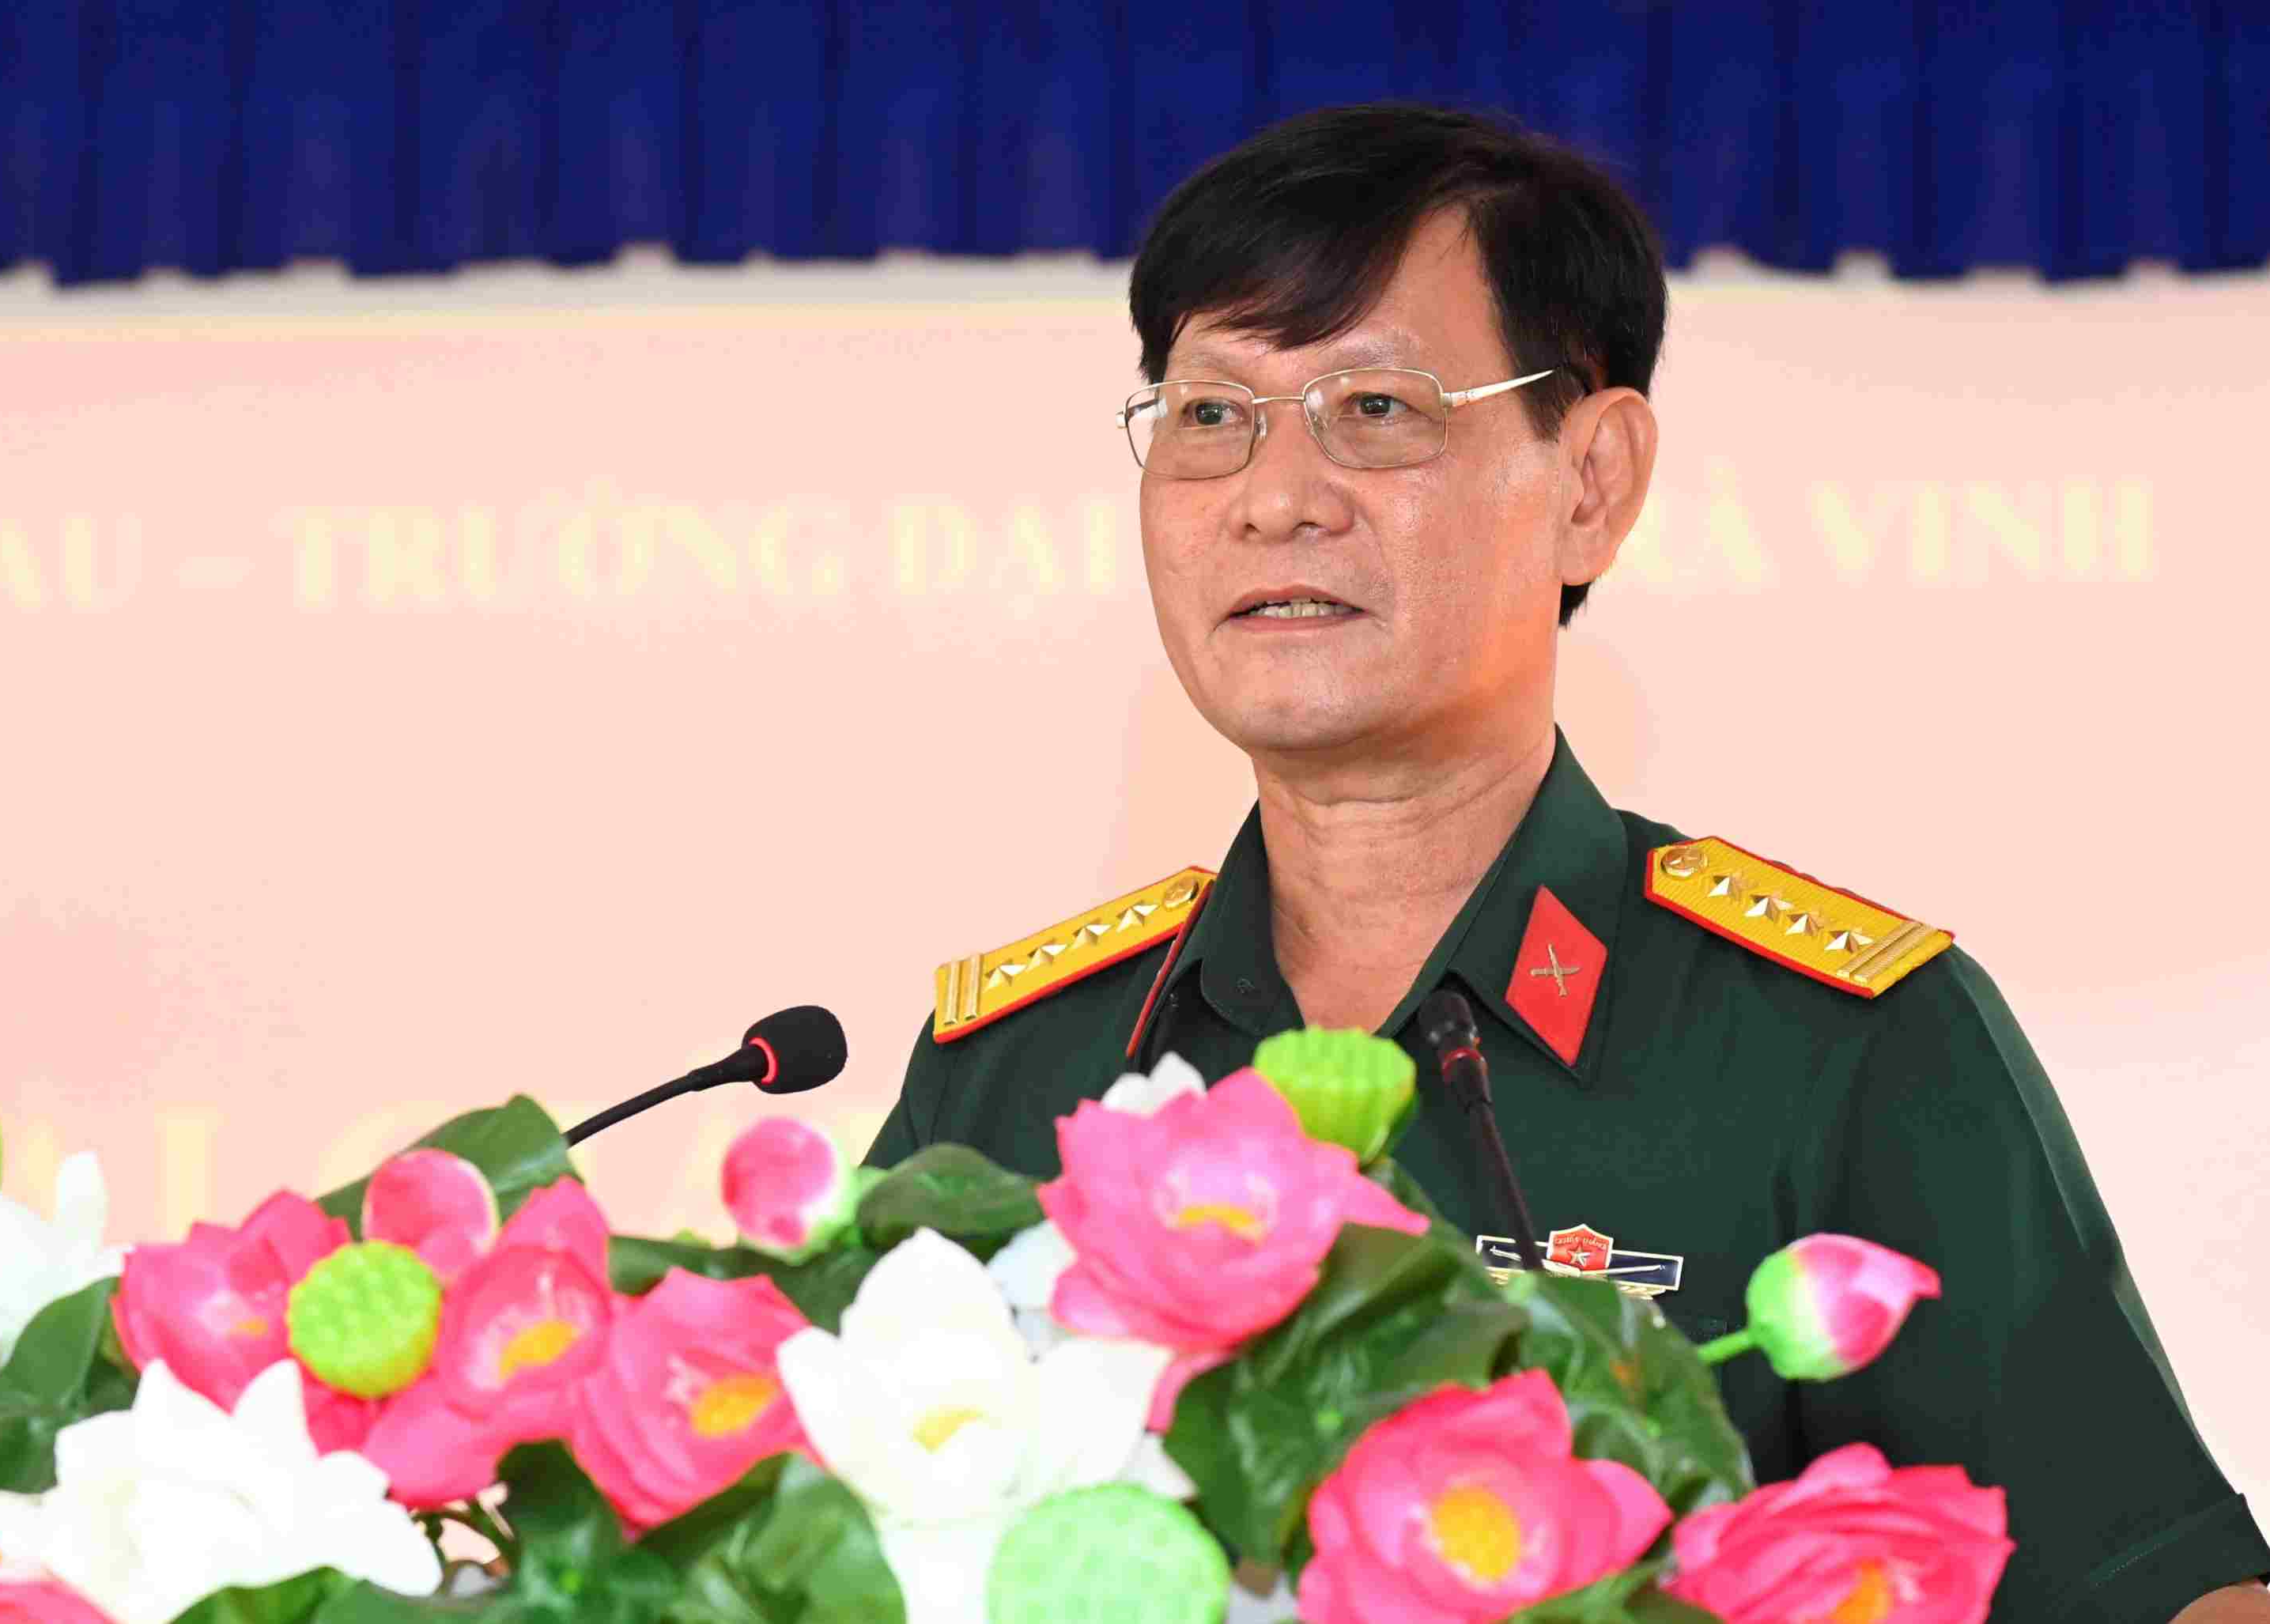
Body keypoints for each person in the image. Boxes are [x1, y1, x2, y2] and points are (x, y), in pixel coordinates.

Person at [863, 103, 2268, 1622]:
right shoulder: (1015, 1068)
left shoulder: (1842, 1047)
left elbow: (2167, 1590)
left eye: (1376, 409)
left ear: (1592, 481)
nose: (1273, 494)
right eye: (1211, 414)